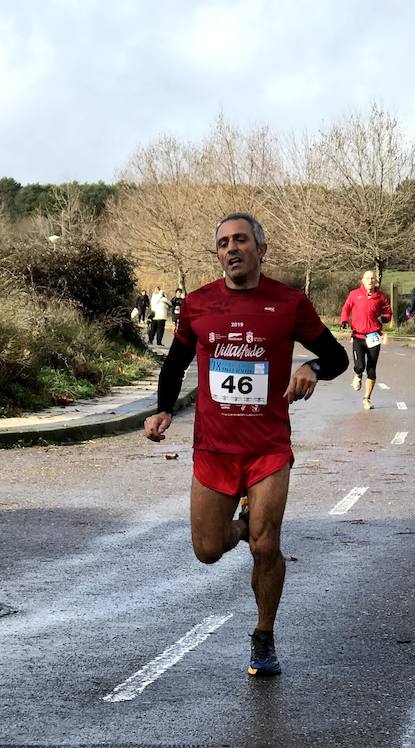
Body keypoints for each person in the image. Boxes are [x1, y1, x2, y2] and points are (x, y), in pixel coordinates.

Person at [144, 213, 349, 677]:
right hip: (214, 448)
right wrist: (162, 409)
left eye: (240, 240)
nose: (231, 249)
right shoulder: (198, 305)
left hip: (267, 448)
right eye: (223, 243)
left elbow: (337, 357)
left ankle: (263, 635)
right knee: (208, 549)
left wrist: (312, 368)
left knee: (266, 544)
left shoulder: (289, 303)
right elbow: (175, 364)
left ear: (260, 249)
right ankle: (243, 525)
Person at [340, 270, 393, 410]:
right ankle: (358, 375)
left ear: (376, 281)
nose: (370, 280)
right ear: (363, 280)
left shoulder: (381, 297)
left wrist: (385, 318)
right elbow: (346, 308)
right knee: (360, 366)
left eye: (372, 278)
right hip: (358, 336)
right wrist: (344, 320)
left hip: (374, 336)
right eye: (368, 278)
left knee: (371, 369)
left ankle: (367, 398)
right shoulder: (354, 294)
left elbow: (388, 313)